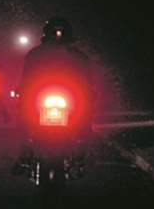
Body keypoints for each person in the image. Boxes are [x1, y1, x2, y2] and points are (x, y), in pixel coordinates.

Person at [13, 16, 96, 172]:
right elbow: (87, 83)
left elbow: (25, 80)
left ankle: (26, 156)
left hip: (53, 100)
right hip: (54, 100)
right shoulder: (79, 56)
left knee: (24, 121)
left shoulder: (35, 53)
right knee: (83, 124)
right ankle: (78, 160)